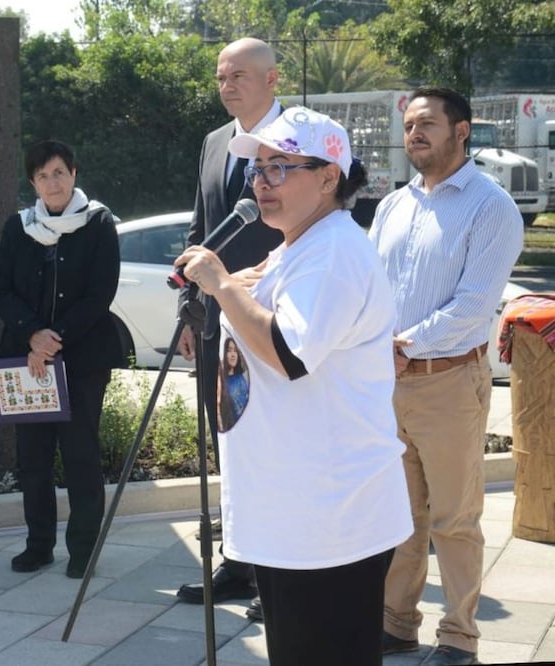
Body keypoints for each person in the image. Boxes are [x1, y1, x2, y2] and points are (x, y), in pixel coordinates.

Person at [173, 106, 413, 666]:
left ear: (329, 176)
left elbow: (287, 353)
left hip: (328, 518)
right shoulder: (297, 246)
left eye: (280, 168)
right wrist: (238, 286)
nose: (262, 183)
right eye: (258, 169)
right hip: (294, 511)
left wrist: (221, 283)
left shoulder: (332, 252)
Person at [370, 87, 524, 666]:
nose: (415, 133)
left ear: (462, 131)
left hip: (450, 382)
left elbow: (473, 303)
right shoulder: (393, 205)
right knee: (399, 514)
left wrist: (400, 347)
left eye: (427, 123)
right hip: (388, 382)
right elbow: (372, 287)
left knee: (455, 518)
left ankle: (459, 637)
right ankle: (397, 624)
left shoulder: (491, 206)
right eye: (409, 123)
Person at [175, 36, 285, 617]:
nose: (227, 84)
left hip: (277, 315)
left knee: (275, 443)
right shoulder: (215, 142)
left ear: (271, 78)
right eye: (221, 76)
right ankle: (240, 561)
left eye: (239, 74)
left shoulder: (299, 137)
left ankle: (281, 575)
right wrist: (189, 312)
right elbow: (201, 229)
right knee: (231, 441)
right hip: (219, 321)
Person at [0, 139, 124, 580]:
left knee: (81, 454)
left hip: (81, 359)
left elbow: (99, 293)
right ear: (33, 182)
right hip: (26, 361)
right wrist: (32, 335)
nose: (53, 183)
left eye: (59, 173)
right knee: (33, 457)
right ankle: (38, 545)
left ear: (74, 175)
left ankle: (83, 551)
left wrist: (55, 339)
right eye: (43, 175)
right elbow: (1, 291)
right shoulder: (18, 227)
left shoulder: (99, 222)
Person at [217, 337, 248, 432]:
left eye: (235, 351)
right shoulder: (222, 380)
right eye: (229, 350)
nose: (233, 355)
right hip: (233, 429)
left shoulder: (241, 377)